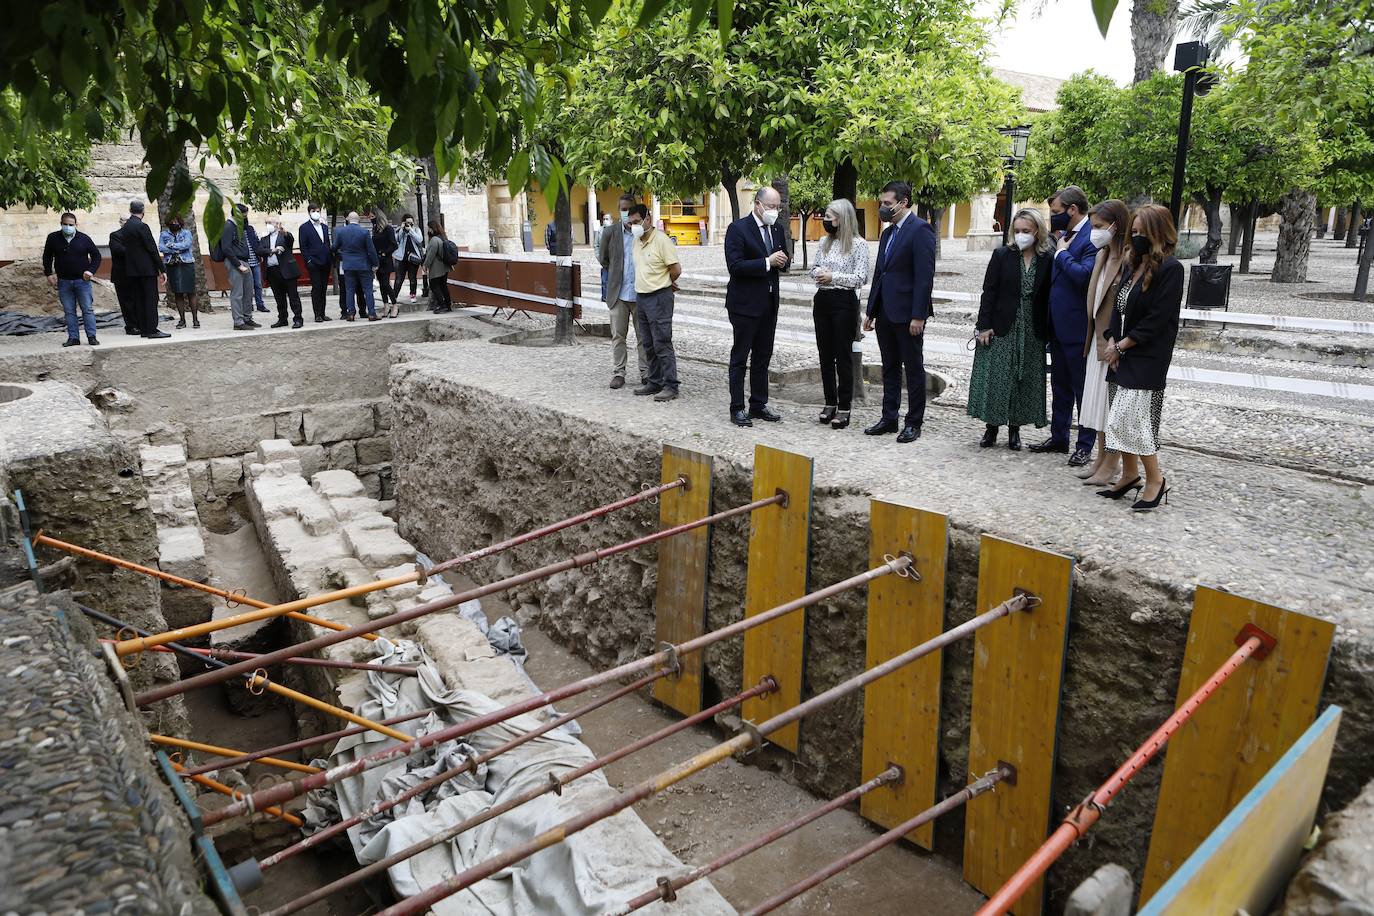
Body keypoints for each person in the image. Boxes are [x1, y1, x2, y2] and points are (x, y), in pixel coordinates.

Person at [1099, 204, 1184, 511]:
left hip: (1147, 355)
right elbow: (1118, 308)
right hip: (1122, 351)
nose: (1135, 238)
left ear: (1158, 234)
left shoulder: (1172, 269)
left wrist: (1123, 345)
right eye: (1133, 232)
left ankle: (1155, 479)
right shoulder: (1131, 264)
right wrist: (1113, 340)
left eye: (1141, 233)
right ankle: (1130, 475)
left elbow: (1158, 319)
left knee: (1131, 419)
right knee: (1117, 419)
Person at [966, 209, 1052, 449]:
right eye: (1017, 231)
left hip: (1032, 328)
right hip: (1002, 325)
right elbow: (989, 291)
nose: (1021, 235)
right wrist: (983, 326)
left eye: (1026, 230)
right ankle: (991, 428)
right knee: (997, 376)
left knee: (1022, 379)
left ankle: (1015, 430)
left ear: (1037, 231)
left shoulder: (1048, 258)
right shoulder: (1002, 255)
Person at [863, 180, 936, 443]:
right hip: (885, 313)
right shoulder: (887, 233)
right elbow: (880, 273)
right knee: (889, 368)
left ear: (903, 203)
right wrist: (871, 311)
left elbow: (924, 277)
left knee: (913, 370)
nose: (882, 207)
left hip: (908, 315)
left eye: (887, 204)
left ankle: (913, 422)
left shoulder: (921, 230)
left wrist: (919, 315)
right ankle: (889, 418)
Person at [1031, 185, 1097, 466]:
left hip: (1078, 327)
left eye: (1056, 212)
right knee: (1059, 387)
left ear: (1072, 210)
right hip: (1056, 326)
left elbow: (1084, 276)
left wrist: (1061, 253)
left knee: (1083, 390)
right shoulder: (1063, 235)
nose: (1053, 217)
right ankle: (1059, 436)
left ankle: (1085, 444)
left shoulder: (1092, 236)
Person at [723, 186, 789, 427]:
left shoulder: (777, 229)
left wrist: (782, 261)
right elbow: (735, 265)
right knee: (740, 357)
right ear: (758, 205)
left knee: (763, 357)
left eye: (777, 207)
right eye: (771, 206)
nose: (774, 211)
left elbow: (783, 259)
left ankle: (759, 404)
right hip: (744, 304)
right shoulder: (738, 229)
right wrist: (766, 262)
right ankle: (737, 407)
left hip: (769, 304)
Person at [1078, 199, 1132, 485]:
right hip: (1096, 341)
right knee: (1098, 406)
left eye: (1099, 227)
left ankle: (1111, 464)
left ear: (1116, 225)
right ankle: (1100, 459)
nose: (1095, 232)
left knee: (1110, 408)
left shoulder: (1128, 259)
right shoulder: (1102, 255)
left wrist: (1119, 342)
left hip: (1112, 344)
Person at [807, 198, 870, 430]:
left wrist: (834, 276)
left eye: (829, 217)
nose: (825, 220)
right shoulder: (824, 241)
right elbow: (812, 269)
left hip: (844, 301)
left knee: (842, 356)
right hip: (822, 299)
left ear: (842, 219)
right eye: (825, 216)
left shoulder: (859, 244)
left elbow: (861, 278)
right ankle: (829, 402)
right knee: (824, 354)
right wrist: (819, 273)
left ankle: (844, 407)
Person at [629, 204, 682, 401]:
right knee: (648, 343)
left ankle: (671, 385)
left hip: (659, 296)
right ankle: (655, 381)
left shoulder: (661, 241)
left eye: (636, 222)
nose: (634, 226)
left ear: (648, 219)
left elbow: (675, 269)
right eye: (631, 222)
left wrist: (667, 282)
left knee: (662, 342)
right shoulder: (636, 241)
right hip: (641, 297)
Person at [597, 194, 648, 389]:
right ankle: (619, 372)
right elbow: (604, 259)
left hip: (640, 293)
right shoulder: (610, 232)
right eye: (623, 209)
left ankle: (646, 372)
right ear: (619, 210)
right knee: (618, 335)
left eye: (629, 209)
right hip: (618, 293)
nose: (626, 213)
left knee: (643, 336)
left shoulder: (642, 232)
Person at [42, 212, 102, 347]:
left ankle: (92, 336)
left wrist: (90, 271)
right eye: (65, 224)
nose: (68, 227)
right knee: (69, 311)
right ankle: (73, 338)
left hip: (82, 281)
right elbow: (47, 256)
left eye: (71, 225)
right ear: (61, 224)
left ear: (76, 225)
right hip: (64, 281)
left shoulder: (84, 238)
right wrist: (48, 273)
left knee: (87, 309)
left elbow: (97, 256)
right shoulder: (53, 238)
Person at [115, 200, 170, 339]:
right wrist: (162, 269)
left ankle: (144, 328)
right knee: (151, 299)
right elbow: (152, 249)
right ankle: (152, 329)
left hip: (132, 270)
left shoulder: (126, 228)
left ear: (130, 210)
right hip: (146, 269)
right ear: (143, 212)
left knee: (139, 299)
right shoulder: (142, 226)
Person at [332, 211, 379, 321]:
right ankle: (372, 313)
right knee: (368, 290)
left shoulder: (341, 232)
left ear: (348, 219)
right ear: (359, 220)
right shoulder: (364, 232)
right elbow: (371, 250)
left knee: (349, 290)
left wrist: (342, 253)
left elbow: (334, 247)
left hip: (348, 265)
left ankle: (351, 313)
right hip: (363, 265)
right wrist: (375, 263)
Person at [257, 217, 304, 328]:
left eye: (271, 223)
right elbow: (259, 250)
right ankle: (282, 319)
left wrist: (284, 231)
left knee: (293, 296)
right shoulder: (264, 239)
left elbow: (290, 240)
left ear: (277, 224)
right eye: (267, 223)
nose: (269, 225)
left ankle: (298, 318)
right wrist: (272, 250)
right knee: (279, 297)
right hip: (272, 271)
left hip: (287, 270)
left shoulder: (284, 235)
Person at [221, 202, 258, 331]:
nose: (245, 217)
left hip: (244, 260)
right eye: (244, 215)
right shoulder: (229, 226)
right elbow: (226, 248)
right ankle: (238, 321)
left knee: (248, 291)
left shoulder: (239, 226)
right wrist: (238, 265)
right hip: (235, 262)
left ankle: (247, 317)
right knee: (237, 293)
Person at [158, 216, 198, 329]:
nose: (174, 223)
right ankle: (182, 320)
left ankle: (195, 319)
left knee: (191, 292)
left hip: (187, 264)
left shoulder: (186, 233)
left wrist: (171, 245)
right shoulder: (164, 234)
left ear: (180, 223)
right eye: (172, 221)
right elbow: (161, 248)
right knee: (178, 292)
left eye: (176, 221)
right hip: (172, 265)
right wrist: (177, 248)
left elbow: (187, 245)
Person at [299, 205, 333, 323]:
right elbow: (303, 246)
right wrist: (308, 260)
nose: (316, 213)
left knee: (323, 288)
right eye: (314, 211)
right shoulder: (304, 228)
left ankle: (323, 313)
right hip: (314, 263)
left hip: (325, 262)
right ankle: (317, 314)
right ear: (309, 212)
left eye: (318, 211)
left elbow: (327, 243)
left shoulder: (324, 226)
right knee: (317, 288)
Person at [107, 216, 138, 334]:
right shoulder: (115, 235)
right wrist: (136, 251)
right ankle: (131, 326)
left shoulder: (136, 235)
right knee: (126, 302)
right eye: (124, 221)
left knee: (136, 300)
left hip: (136, 273)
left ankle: (139, 323)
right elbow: (118, 250)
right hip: (121, 274)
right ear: (120, 222)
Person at [422, 219, 452, 313]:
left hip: (437, 268)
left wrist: (425, 265)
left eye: (429, 228)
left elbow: (430, 254)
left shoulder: (434, 240)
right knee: (443, 286)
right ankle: (448, 305)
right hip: (445, 267)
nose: (428, 230)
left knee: (434, 286)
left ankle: (442, 305)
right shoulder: (443, 237)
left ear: (432, 228)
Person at [372, 212, 399, 317]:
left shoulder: (388, 229)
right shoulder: (375, 229)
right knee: (381, 286)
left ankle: (395, 305)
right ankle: (386, 305)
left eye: (372, 217)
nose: (371, 219)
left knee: (385, 284)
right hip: (377, 260)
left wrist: (384, 253)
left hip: (386, 260)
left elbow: (394, 245)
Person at [395, 215, 424, 303]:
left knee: (412, 278)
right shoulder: (400, 229)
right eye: (407, 222)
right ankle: (394, 296)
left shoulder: (416, 229)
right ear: (404, 222)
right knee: (399, 279)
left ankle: (413, 295)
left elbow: (419, 240)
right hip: (401, 257)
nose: (409, 224)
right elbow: (396, 239)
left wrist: (411, 230)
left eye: (411, 222)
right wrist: (402, 230)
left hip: (413, 257)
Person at [244, 220, 269, 314]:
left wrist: (260, 254)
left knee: (258, 284)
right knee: (248, 286)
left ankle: (260, 304)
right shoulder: (236, 230)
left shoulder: (250, 229)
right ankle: (249, 305)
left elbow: (257, 242)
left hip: (255, 260)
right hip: (245, 262)